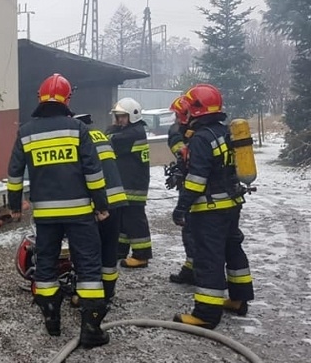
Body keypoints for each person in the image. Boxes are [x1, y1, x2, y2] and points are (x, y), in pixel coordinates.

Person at [7, 73, 111, 348]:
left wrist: (14, 206)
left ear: (40, 98)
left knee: (46, 266)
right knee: (88, 266)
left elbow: (14, 174)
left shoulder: (26, 132)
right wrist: (101, 205)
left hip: (46, 216)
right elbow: (94, 173)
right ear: (67, 99)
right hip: (79, 213)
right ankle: (91, 329)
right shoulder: (79, 130)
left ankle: (52, 321)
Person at [172, 85, 254, 328]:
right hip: (231, 203)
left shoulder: (200, 139)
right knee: (232, 249)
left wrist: (182, 207)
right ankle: (239, 299)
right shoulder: (224, 132)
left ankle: (206, 314)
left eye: (187, 109)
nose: (184, 114)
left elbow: (197, 180)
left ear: (196, 110)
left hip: (210, 209)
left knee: (209, 257)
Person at [74, 113, 128, 304]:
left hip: (100, 204)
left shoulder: (80, 138)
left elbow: (85, 173)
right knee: (109, 250)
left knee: (90, 253)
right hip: (118, 200)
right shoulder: (101, 136)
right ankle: (108, 292)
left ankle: (90, 297)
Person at [107, 97, 152, 268]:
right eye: (117, 117)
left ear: (133, 116)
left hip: (133, 185)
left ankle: (142, 255)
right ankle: (121, 250)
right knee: (123, 220)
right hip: (128, 182)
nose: (119, 120)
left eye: (123, 117)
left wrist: (109, 131)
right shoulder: (132, 130)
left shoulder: (134, 133)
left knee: (134, 219)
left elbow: (110, 140)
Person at [166, 95, 196, 285]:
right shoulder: (215, 131)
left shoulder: (198, 135)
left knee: (192, 230)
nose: (176, 119)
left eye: (178, 115)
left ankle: (198, 272)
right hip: (210, 190)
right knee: (191, 231)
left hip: (198, 190)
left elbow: (185, 156)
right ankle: (191, 267)